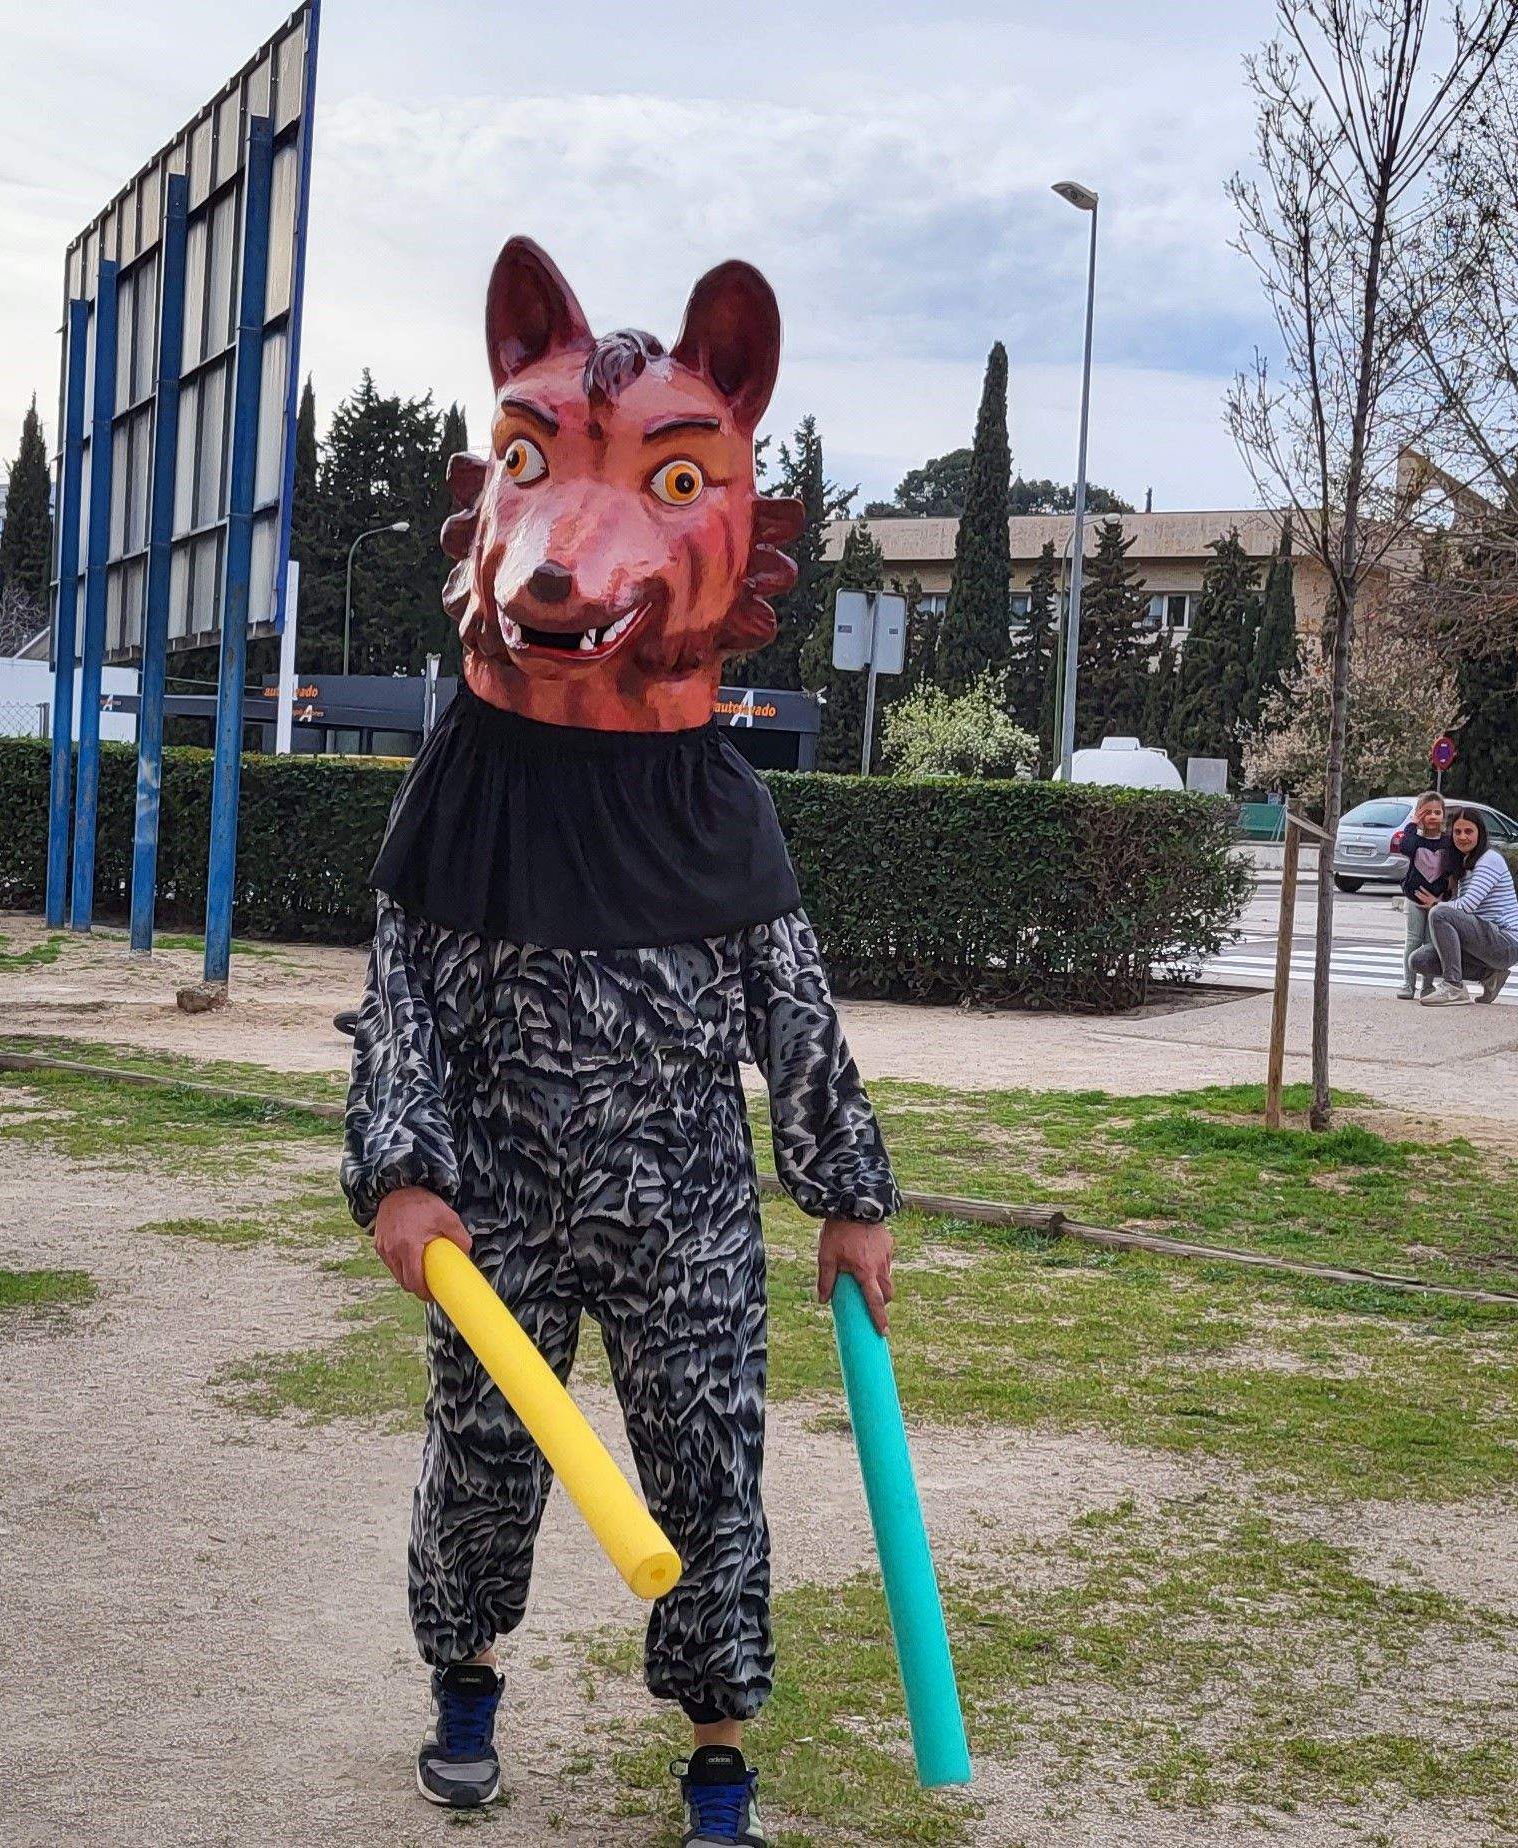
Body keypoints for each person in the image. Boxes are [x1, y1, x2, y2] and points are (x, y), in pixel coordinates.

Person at [349, 240, 897, 1844]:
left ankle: (718, 1752)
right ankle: (464, 1685)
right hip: (494, 1206)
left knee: (711, 1473)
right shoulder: (458, 780)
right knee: (481, 1463)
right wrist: (401, 1173)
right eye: (531, 463)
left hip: (684, 1208)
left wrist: (845, 1193)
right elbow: (406, 998)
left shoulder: (716, 796)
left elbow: (789, 1006)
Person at [1413, 807, 1518, 1006]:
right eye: (1457, 832)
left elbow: (1467, 906)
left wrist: (1437, 905)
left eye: (1468, 831)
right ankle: (1490, 975)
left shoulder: (1489, 859)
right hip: (1483, 940)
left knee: (1440, 913)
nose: (1462, 837)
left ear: (1480, 834)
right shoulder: (1464, 863)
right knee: (1419, 960)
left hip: (1506, 942)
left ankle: (1454, 987)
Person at [1387, 793, 1454, 1001]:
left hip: (1437, 898)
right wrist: (1413, 824)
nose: (1433, 816)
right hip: (1415, 897)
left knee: (1430, 941)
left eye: (1437, 812)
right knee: (1413, 939)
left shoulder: (1446, 841)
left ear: (1443, 815)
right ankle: (1408, 983)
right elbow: (1405, 847)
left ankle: (1428, 985)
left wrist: (1445, 896)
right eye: (1427, 812)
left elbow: (1452, 869)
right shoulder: (1415, 839)